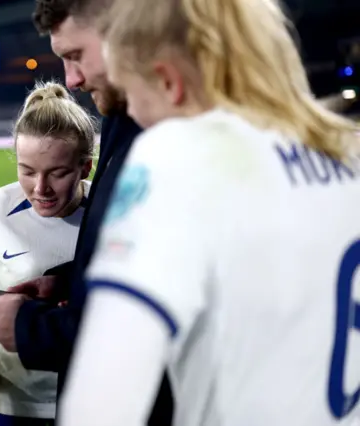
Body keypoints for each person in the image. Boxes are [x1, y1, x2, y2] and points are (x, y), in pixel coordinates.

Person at [59, 0, 360, 424]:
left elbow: (101, 404)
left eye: (134, 97)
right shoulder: (348, 150)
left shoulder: (181, 156)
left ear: (169, 81)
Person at [0, 0, 173, 423]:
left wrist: (32, 329)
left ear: (126, 34)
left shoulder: (180, 139)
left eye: (75, 55)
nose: (72, 80)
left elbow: (165, 322)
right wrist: (69, 280)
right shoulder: (127, 116)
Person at [0, 81, 95, 426]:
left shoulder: (108, 212)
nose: (39, 189)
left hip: (91, 395)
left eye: (57, 173)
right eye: (27, 171)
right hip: (7, 399)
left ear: (85, 168)